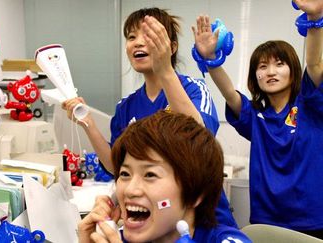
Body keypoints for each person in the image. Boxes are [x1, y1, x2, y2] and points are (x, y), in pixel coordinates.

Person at [62, 7, 237, 228]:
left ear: (171, 47)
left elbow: (200, 140)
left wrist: (164, 70)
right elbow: (115, 165)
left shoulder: (194, 89)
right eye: (131, 37)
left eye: (149, 36)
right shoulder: (126, 106)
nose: (137, 42)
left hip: (201, 221)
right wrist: (87, 123)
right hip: (157, 223)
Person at [193, 0, 323, 238]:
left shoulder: (311, 104)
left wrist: (315, 19)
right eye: (263, 66)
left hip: (313, 221)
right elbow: (229, 93)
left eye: (279, 64)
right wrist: (211, 59)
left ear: (293, 70)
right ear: (255, 76)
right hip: (265, 222)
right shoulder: (255, 116)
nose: (270, 72)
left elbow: (314, 64)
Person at [77, 111, 251, 242]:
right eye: (125, 174)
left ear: (195, 195)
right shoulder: (116, 238)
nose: (130, 190)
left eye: (150, 174)